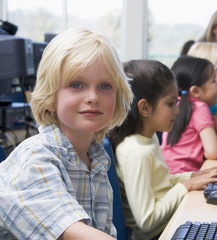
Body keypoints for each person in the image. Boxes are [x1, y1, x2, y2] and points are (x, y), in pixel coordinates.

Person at [0, 27, 133, 240]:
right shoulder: (35, 157)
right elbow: (72, 233)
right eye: (76, 84)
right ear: (50, 98)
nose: (93, 97)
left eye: (105, 86)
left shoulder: (96, 158)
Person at [107, 59, 217, 240]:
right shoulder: (136, 153)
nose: (177, 111)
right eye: (171, 103)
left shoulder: (149, 138)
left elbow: (159, 185)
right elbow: (147, 221)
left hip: (169, 226)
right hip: (156, 235)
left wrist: (192, 176)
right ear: (145, 108)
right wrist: (184, 186)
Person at [161, 56, 217, 174]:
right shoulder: (199, 107)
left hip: (168, 173)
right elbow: (213, 152)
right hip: (185, 175)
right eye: (213, 81)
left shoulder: (174, 104)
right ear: (196, 91)